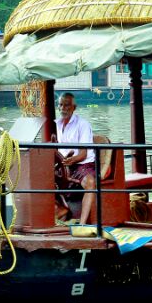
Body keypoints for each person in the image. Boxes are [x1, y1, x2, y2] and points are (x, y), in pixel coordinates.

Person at [54, 93, 97, 224]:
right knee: (42, 177)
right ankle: (60, 210)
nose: (63, 108)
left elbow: (83, 154)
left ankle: (82, 224)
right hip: (65, 164)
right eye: (61, 105)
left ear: (74, 107)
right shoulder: (56, 124)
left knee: (90, 183)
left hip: (83, 165)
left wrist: (70, 161)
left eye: (67, 105)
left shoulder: (83, 125)